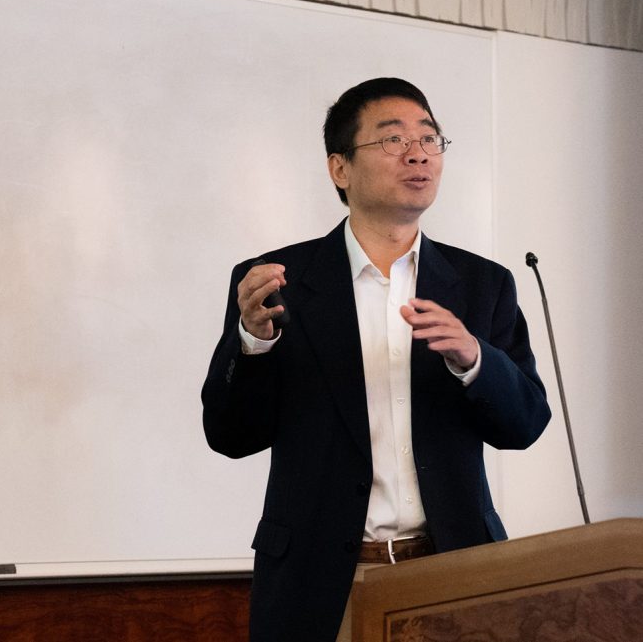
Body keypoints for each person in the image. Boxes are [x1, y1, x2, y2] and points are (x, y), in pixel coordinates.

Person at [201, 77, 551, 641]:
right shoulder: (277, 283)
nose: (417, 152)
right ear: (339, 168)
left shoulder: (483, 285)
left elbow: (526, 425)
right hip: (324, 585)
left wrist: (474, 359)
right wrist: (253, 342)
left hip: (455, 570)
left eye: (430, 138)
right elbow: (230, 434)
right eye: (392, 140)